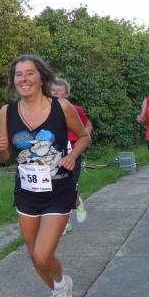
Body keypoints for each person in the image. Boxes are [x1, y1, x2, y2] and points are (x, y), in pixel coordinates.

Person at [0, 55, 90, 297]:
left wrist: (72, 156)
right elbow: (4, 156)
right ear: (13, 80)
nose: (23, 79)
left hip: (58, 190)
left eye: (30, 73)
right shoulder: (7, 112)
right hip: (26, 191)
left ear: (41, 77)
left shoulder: (62, 107)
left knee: (42, 254)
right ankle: (59, 290)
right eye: (18, 74)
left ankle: (60, 284)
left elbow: (84, 137)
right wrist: (0, 149)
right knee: (33, 255)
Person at [51, 78, 93, 235]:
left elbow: (88, 125)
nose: (55, 93)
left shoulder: (74, 109)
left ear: (67, 94)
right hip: (54, 153)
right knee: (55, 185)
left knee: (68, 185)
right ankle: (75, 204)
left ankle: (66, 221)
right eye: (53, 90)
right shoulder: (45, 111)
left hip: (72, 152)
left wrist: (82, 140)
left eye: (59, 90)